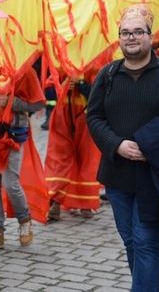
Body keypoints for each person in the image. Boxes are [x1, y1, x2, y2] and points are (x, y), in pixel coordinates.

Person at [87, 4, 159, 292]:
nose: (131, 37)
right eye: (125, 32)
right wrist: (117, 145)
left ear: (151, 37)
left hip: (157, 177)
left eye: (138, 32)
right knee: (132, 242)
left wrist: (154, 145)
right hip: (118, 175)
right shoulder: (108, 74)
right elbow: (94, 117)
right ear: (119, 38)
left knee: (146, 242)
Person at [0, 69, 45, 251]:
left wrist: (13, 102)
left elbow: (37, 104)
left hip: (13, 132)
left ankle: (24, 220)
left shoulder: (25, 69)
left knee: (10, 182)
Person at [45, 73, 101, 221]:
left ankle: (86, 203)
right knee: (60, 160)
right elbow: (46, 93)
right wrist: (61, 85)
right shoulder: (60, 67)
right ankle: (55, 202)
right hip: (61, 120)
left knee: (87, 160)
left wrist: (81, 83)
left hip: (86, 120)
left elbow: (99, 95)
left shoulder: (95, 67)